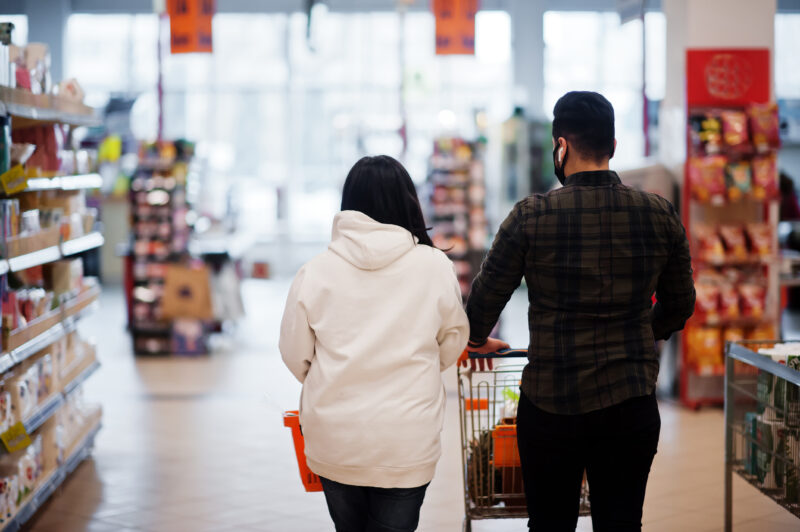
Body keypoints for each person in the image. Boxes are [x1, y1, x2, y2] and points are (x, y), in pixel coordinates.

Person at [465, 91, 696, 532]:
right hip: (631, 401)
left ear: (561, 146)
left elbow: (483, 303)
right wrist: (641, 332)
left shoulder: (530, 217)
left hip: (552, 404)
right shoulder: (658, 214)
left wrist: (476, 340)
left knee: (550, 525)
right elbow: (681, 303)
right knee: (621, 522)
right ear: (613, 146)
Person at [279, 155, 469, 532]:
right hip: (407, 439)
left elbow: (294, 353)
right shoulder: (434, 266)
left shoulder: (315, 271)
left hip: (335, 437)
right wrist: (418, 367)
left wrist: (332, 379)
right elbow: (452, 340)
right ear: (407, 201)